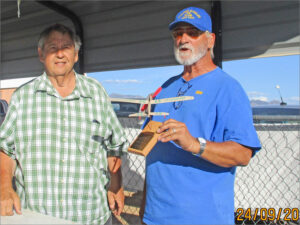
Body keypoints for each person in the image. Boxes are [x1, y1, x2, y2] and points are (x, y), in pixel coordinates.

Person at [140, 7, 261, 224]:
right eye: (178, 33)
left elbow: (242, 154)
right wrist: (144, 209)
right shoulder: (164, 89)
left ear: (210, 40)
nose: (183, 39)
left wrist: (195, 144)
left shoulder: (228, 88)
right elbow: (153, 151)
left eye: (192, 33)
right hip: (154, 216)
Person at [0, 24, 128, 225]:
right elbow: (5, 149)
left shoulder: (96, 93)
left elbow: (115, 145)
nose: (60, 54)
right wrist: (4, 188)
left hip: (90, 217)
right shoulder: (22, 98)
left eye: (66, 47)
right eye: (53, 48)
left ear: (76, 55)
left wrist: (116, 184)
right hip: (36, 219)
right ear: (41, 54)